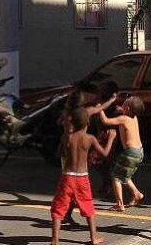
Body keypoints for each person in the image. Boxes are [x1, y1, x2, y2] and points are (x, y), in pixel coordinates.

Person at [50, 107, 116, 245]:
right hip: (82, 177)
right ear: (88, 123)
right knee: (87, 205)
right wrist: (110, 139)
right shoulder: (89, 138)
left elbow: (58, 153)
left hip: (67, 176)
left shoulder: (67, 137)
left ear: (72, 122)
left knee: (58, 207)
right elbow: (104, 154)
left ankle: (55, 240)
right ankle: (94, 237)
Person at [57, 89, 117, 224]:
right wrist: (111, 100)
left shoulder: (68, 115)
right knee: (74, 189)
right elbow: (99, 108)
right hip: (74, 154)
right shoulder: (82, 114)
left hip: (67, 152)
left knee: (70, 187)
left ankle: (65, 214)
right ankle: (66, 214)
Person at [99, 96, 145, 212]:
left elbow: (105, 121)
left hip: (131, 153)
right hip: (139, 151)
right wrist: (122, 109)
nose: (121, 105)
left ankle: (120, 204)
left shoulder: (123, 119)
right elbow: (127, 112)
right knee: (124, 174)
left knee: (115, 176)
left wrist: (99, 109)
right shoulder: (134, 118)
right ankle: (137, 194)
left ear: (128, 109)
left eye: (124, 104)